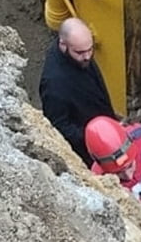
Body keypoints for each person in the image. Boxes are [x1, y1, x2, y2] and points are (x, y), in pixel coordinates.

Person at [39, 17, 117, 165]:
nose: (87, 56)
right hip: (89, 152)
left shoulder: (79, 57)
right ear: (63, 44)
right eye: (80, 52)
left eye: (90, 49)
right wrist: (96, 137)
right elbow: (59, 126)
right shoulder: (54, 83)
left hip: (103, 129)